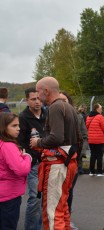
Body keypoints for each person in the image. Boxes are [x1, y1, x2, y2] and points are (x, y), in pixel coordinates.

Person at [30, 76, 80, 230]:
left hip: (57, 165)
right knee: (62, 207)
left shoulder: (56, 107)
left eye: (38, 91)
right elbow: (79, 138)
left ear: (46, 90)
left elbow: (56, 137)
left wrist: (37, 142)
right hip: (68, 163)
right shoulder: (69, 107)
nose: (37, 96)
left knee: (52, 212)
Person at [17, 87, 46, 230]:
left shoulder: (48, 114)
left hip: (50, 161)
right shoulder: (23, 118)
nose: (37, 102)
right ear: (27, 100)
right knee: (35, 198)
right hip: (34, 165)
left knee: (46, 199)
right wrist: (32, 158)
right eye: (33, 99)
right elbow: (20, 143)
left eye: (39, 98)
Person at [60, 91, 87, 230]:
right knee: (56, 192)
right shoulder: (53, 117)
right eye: (59, 100)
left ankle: (67, 219)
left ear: (69, 102)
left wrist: (80, 154)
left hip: (74, 161)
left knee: (69, 191)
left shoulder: (78, 117)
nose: (62, 103)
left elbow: (84, 135)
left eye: (64, 100)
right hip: (57, 161)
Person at [0, 112, 32, 229]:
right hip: (9, 196)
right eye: (14, 126)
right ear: (4, 127)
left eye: (18, 125)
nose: (18, 129)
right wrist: (27, 157)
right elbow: (22, 169)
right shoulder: (8, 146)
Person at [86, 103, 104, 176]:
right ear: (97, 109)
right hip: (100, 140)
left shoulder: (89, 117)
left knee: (93, 155)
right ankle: (99, 172)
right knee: (99, 156)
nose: (102, 110)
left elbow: (86, 127)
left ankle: (91, 171)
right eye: (101, 108)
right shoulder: (100, 117)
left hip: (91, 139)